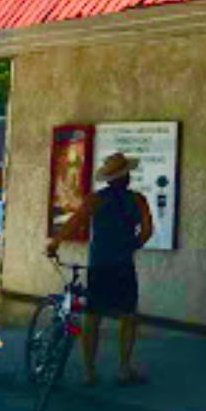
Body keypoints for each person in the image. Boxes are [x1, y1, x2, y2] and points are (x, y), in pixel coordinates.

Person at [47, 151, 154, 387]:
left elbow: (74, 222)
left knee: (93, 318)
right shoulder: (138, 199)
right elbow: (147, 230)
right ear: (126, 177)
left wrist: (55, 243)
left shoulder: (96, 199)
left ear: (109, 178)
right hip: (123, 265)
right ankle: (124, 369)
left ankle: (89, 371)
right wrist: (133, 245)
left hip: (99, 265)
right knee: (128, 317)